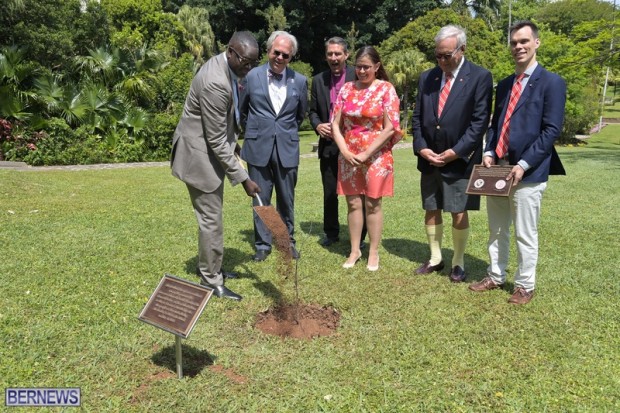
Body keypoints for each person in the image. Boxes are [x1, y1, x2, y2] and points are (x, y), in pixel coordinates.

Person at [469, 21, 566, 304]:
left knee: (525, 232)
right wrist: (489, 150)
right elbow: (495, 125)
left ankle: (525, 285)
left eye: (524, 41)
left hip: (528, 172)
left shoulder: (552, 83)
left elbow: (551, 130)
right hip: (498, 170)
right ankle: (495, 275)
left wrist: (523, 164)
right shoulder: (505, 85)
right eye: (514, 42)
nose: (518, 47)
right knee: (497, 229)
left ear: (536, 43)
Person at [171, 31, 261, 301]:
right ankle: (211, 280)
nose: (249, 68)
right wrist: (244, 179)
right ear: (230, 52)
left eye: (253, 63)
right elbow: (216, 140)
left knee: (213, 218)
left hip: (208, 150)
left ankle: (214, 268)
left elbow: (224, 126)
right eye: (245, 61)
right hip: (198, 158)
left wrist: (235, 145)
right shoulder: (215, 83)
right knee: (211, 220)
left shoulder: (228, 69)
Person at [412, 25, 493, 282]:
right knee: (431, 207)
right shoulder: (427, 77)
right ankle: (435, 258)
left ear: (462, 49)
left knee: (459, 210)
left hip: (459, 159)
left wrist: (456, 152)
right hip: (429, 158)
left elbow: (479, 123)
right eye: (437, 55)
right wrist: (421, 148)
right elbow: (417, 118)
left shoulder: (480, 77)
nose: (441, 61)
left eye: (447, 55)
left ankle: (458, 262)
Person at [331, 45, 402, 272]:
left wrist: (366, 153)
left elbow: (390, 127)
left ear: (377, 66)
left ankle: (373, 251)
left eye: (366, 67)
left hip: (376, 155)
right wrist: (344, 151)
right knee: (353, 203)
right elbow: (334, 124)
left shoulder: (386, 89)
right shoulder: (347, 89)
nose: (361, 71)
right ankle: (355, 250)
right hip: (349, 155)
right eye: (358, 67)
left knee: (373, 203)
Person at [240, 30, 308, 262]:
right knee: (261, 198)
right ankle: (263, 244)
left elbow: (300, 115)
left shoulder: (300, 81)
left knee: (286, 199)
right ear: (268, 50)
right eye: (276, 52)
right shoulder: (251, 76)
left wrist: (283, 133)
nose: (280, 58)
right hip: (258, 147)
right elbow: (242, 111)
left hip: (287, 148)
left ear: (291, 57)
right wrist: (257, 131)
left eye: (285, 55)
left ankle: (285, 242)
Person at [308, 36, 367, 248]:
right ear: (326, 56)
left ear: (346, 55)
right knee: (330, 192)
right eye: (330, 54)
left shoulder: (358, 75)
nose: (334, 58)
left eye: (338, 54)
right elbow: (312, 111)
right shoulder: (318, 80)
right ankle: (331, 233)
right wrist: (317, 125)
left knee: (358, 192)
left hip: (354, 145)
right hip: (329, 145)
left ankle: (360, 236)